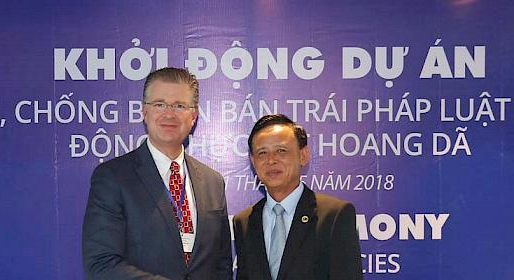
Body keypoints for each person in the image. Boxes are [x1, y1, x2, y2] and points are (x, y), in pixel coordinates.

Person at [82, 67, 232, 280]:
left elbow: (222, 263)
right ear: (145, 112)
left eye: (180, 106)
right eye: (159, 104)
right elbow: (101, 263)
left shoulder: (213, 182)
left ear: (194, 116)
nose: (169, 114)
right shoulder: (113, 177)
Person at [234, 114, 362, 280]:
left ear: (303, 155)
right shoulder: (244, 221)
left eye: (281, 151)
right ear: (252, 161)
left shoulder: (334, 216)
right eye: (262, 153)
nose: (271, 160)